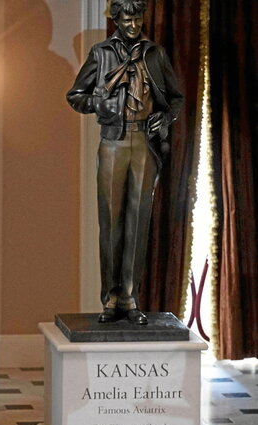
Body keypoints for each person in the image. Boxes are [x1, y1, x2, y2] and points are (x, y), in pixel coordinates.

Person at [66, 0, 183, 324]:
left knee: (137, 222)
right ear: (116, 19)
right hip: (113, 142)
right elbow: (76, 95)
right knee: (112, 224)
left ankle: (130, 298)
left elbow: (175, 97)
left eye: (138, 18)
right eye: (127, 19)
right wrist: (100, 104)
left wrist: (165, 116)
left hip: (144, 142)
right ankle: (110, 299)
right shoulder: (101, 53)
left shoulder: (154, 53)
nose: (133, 25)